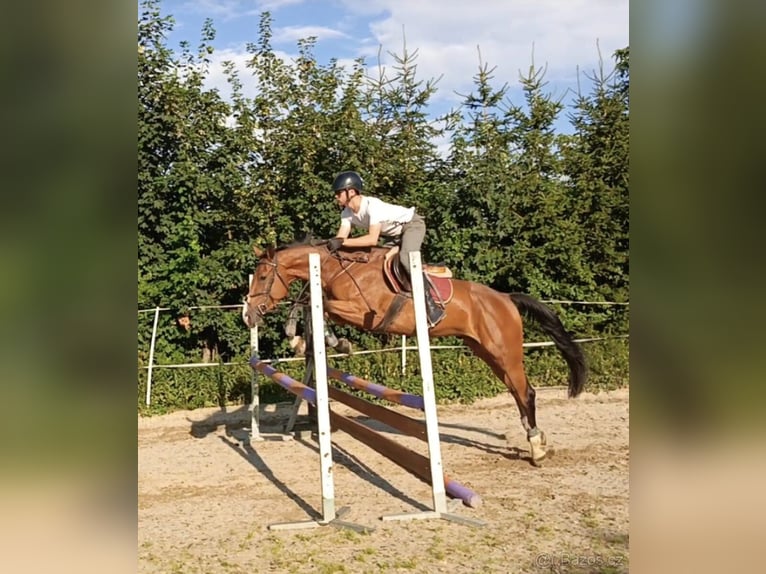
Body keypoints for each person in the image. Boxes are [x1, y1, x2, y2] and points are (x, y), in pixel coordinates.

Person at [326, 170, 445, 327]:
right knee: (377, 260)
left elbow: (372, 239)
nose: (336, 196)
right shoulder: (346, 213)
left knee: (405, 258)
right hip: (393, 237)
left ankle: (431, 306)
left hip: (411, 226)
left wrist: (342, 242)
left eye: (339, 192)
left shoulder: (372, 206)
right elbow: (341, 238)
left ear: (351, 192)